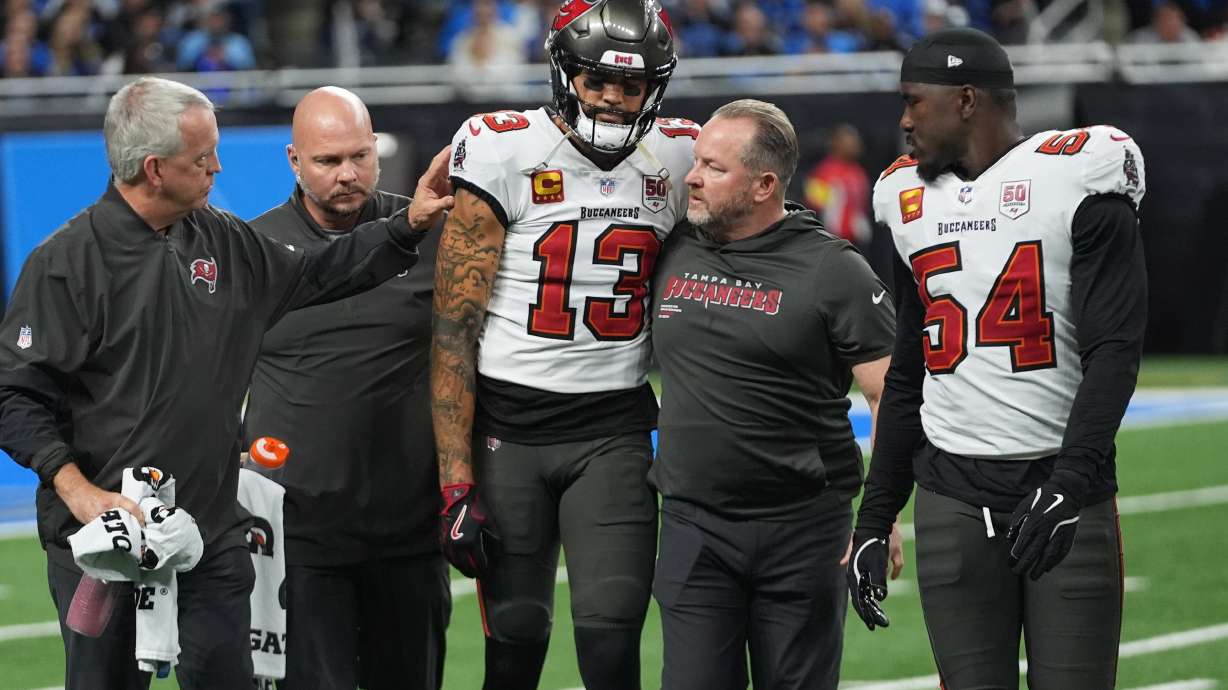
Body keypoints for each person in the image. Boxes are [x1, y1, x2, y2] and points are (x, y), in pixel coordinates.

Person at [0, 76, 445, 690]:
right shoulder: (65, 263)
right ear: (155, 169)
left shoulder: (219, 237)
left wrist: (405, 228)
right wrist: (77, 492)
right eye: (202, 156)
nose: (217, 165)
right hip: (104, 539)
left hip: (209, 533)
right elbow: (14, 395)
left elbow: (317, 274)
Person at [848, 27, 1147, 690]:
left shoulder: (1080, 172)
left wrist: (1071, 480)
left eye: (914, 102)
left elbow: (1115, 348)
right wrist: (876, 516)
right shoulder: (907, 198)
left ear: (965, 101)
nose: (902, 120)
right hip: (952, 495)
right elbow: (909, 369)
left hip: (1063, 488)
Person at [429, 0, 697, 688]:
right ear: (562, 72)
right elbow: (455, 327)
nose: (612, 100)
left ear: (654, 88)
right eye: (596, 80)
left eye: (631, 85)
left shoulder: (680, 152)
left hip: (613, 427)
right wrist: (455, 484)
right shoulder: (501, 146)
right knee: (514, 643)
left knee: (612, 646)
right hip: (508, 433)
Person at [649, 99, 897, 690]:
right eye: (696, 161)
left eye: (713, 167)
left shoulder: (833, 270)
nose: (691, 176)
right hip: (693, 524)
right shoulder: (675, 242)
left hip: (805, 529)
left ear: (764, 185)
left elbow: (890, 394)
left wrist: (881, 516)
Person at [243, 87, 450, 690]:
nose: (346, 175)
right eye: (327, 161)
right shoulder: (253, 251)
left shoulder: (433, 234)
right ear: (293, 160)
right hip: (299, 536)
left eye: (359, 156)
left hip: (410, 530)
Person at [803, 123, 873, 249]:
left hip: (857, 239)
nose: (855, 145)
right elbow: (813, 205)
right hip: (833, 241)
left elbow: (862, 205)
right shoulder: (823, 173)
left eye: (855, 140)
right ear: (836, 143)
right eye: (850, 141)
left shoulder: (858, 172)